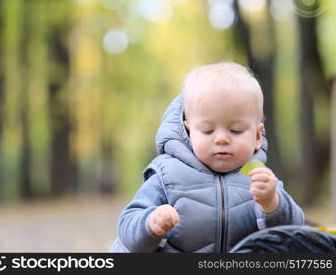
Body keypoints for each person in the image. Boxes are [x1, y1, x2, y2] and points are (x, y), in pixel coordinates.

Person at [109, 62, 304, 253]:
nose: (221, 139)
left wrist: (272, 203)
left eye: (236, 130)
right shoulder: (167, 175)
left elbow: (294, 235)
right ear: (189, 131)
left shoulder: (260, 178)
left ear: (257, 136)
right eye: (207, 130)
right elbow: (128, 226)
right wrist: (151, 223)